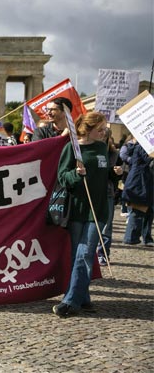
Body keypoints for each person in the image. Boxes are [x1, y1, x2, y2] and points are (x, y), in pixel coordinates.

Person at [52, 112, 122, 318]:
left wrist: (114, 173)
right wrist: (76, 174)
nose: (104, 133)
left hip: (98, 209)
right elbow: (62, 177)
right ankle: (83, 297)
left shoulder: (101, 147)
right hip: (77, 209)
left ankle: (70, 301)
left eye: (105, 129)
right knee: (77, 255)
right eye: (100, 129)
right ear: (87, 129)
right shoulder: (71, 148)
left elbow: (103, 175)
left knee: (85, 254)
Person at [121, 142, 153, 246]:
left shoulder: (142, 147)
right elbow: (148, 161)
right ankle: (130, 238)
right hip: (139, 183)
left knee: (144, 212)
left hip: (142, 182)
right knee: (137, 211)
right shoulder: (142, 147)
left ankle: (138, 237)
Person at [97, 128, 120, 266]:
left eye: (104, 136)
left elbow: (114, 177)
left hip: (107, 191)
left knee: (106, 226)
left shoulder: (113, 153)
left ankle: (103, 253)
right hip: (90, 192)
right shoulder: (87, 150)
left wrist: (118, 172)